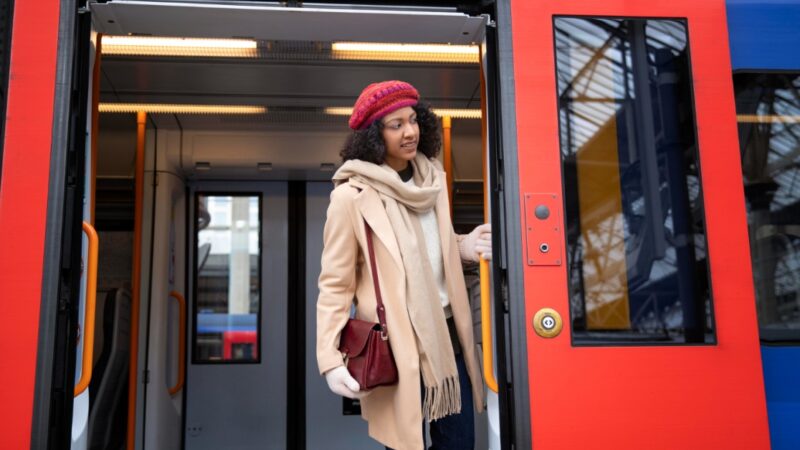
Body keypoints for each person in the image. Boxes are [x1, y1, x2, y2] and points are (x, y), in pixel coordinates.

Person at [316, 80, 492, 450]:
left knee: (459, 444)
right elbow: (335, 284)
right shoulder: (351, 197)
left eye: (413, 120)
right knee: (405, 445)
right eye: (395, 125)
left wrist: (463, 246)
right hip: (394, 343)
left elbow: (430, 249)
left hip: (447, 338)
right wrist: (330, 359)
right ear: (374, 136)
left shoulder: (432, 181)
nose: (410, 132)